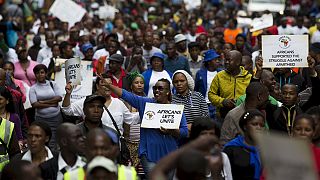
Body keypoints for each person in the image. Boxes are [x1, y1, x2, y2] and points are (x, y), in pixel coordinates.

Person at [104, 78, 188, 177]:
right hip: (148, 154)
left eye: (160, 88)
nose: (157, 90)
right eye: (155, 88)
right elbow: (125, 94)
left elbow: (185, 132)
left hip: (170, 155)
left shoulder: (176, 109)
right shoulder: (145, 103)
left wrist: (172, 131)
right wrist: (109, 86)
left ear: (168, 92)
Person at [62, 74, 139, 135]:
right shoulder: (87, 101)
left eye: (109, 85)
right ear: (97, 86)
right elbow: (67, 110)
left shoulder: (119, 103)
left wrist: (148, 110)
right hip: (93, 146)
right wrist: (68, 94)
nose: (107, 87)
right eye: (104, 85)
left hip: (114, 147)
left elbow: (131, 119)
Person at [208, 50, 252, 119]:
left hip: (243, 115)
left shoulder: (248, 77)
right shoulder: (219, 76)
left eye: (229, 60)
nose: (226, 62)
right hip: (223, 115)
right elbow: (211, 94)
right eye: (225, 59)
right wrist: (223, 101)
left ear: (238, 62)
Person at [224, 109, 264, 180]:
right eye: (254, 124)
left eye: (261, 125)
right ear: (245, 126)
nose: (259, 128)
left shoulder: (265, 149)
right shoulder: (231, 149)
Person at [29, 64, 63, 149]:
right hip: (41, 119)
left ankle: (52, 159)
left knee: (53, 141)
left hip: (56, 118)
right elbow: (35, 104)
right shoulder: (33, 88)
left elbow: (59, 98)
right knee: (42, 140)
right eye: (37, 73)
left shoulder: (53, 84)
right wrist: (52, 103)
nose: (40, 75)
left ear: (46, 73)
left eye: (42, 72)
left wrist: (42, 102)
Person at [195, 49, 223, 120]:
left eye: (218, 59)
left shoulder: (221, 73)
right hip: (204, 105)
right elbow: (196, 90)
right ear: (209, 62)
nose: (218, 61)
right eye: (215, 59)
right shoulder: (200, 73)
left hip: (217, 105)